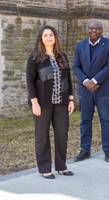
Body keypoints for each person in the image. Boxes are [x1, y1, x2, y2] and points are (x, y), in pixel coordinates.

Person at [26, 25, 74, 179]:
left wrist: (71, 99)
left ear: (55, 37)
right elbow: (30, 81)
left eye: (51, 35)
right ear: (41, 38)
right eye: (45, 35)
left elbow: (68, 79)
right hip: (42, 103)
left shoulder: (62, 56)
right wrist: (34, 103)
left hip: (61, 103)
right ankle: (45, 168)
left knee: (62, 133)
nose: (48, 38)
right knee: (42, 135)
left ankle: (62, 166)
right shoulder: (35, 57)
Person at [73, 20, 109, 162]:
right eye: (91, 28)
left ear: (102, 31)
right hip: (85, 90)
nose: (94, 30)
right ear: (88, 30)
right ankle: (85, 150)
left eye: (97, 28)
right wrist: (87, 82)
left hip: (102, 89)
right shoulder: (80, 45)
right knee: (85, 120)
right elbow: (76, 66)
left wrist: (95, 81)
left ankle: (108, 151)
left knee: (105, 120)